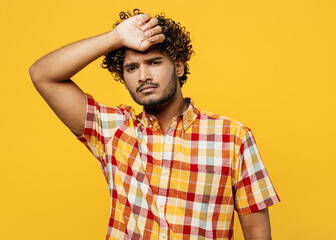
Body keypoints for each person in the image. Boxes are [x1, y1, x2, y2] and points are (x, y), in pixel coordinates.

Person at [29, 9, 280, 240]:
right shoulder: (114, 130)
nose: (143, 76)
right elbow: (43, 75)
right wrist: (116, 37)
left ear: (179, 67)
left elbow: (258, 234)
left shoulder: (233, 137)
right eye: (131, 67)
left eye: (154, 62)